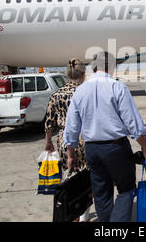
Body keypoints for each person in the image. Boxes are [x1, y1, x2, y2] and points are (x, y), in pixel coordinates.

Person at [64, 51, 146, 222]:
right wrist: (145, 148)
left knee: (101, 192)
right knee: (126, 189)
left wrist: (70, 155)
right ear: (111, 66)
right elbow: (133, 123)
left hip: (92, 149)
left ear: (94, 67)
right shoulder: (116, 87)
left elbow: (71, 127)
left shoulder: (80, 91)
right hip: (115, 147)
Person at [44, 58, 91, 222]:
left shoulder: (56, 95)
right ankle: (83, 215)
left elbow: (49, 122)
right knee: (86, 178)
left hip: (65, 139)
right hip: (84, 137)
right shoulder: (85, 92)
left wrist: (48, 141)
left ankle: (72, 214)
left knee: (71, 177)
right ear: (83, 74)